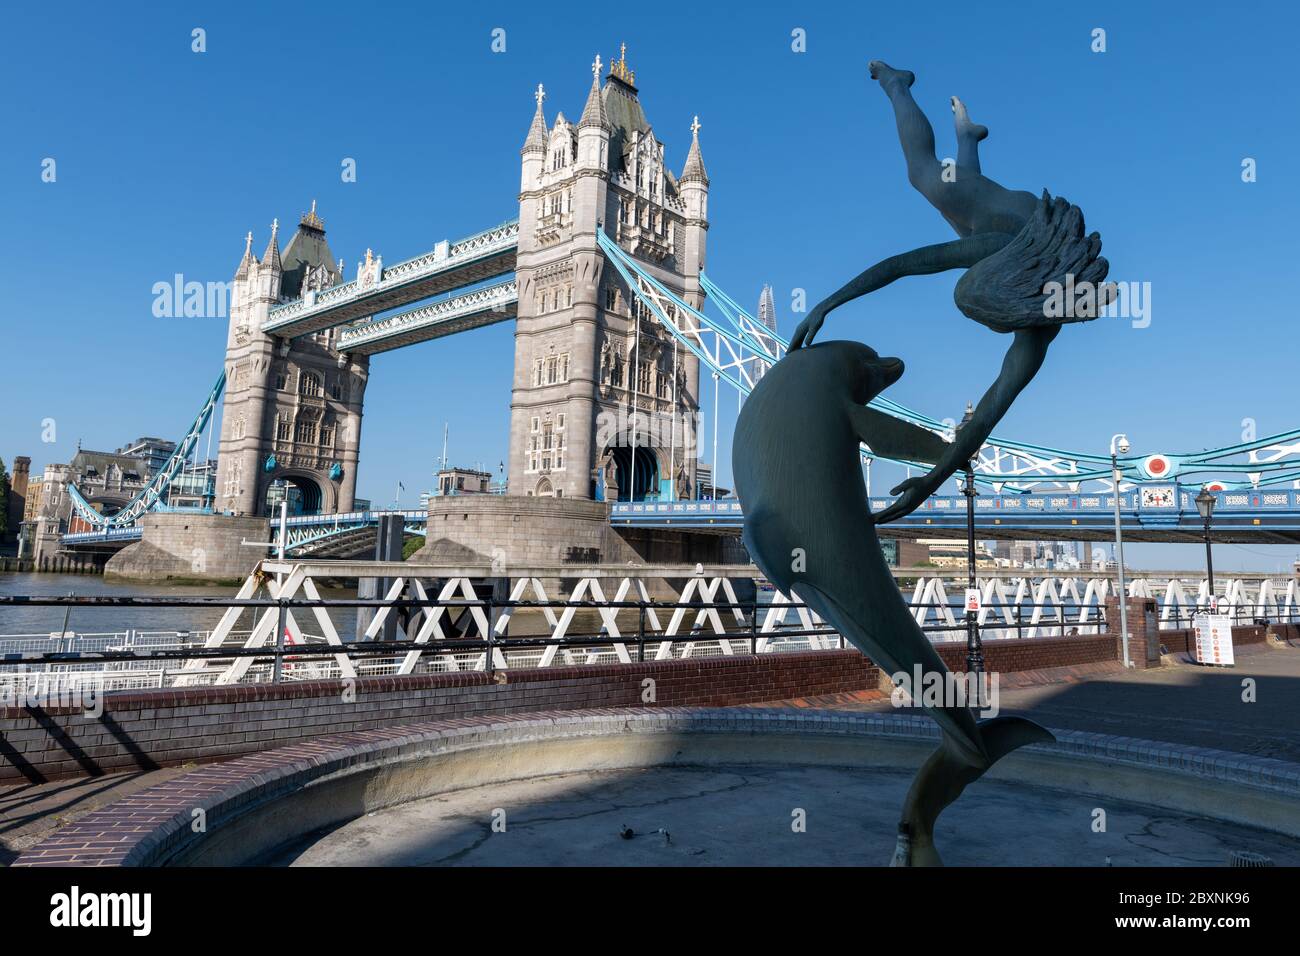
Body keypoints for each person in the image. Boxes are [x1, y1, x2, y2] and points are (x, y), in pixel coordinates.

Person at [791, 61, 1110, 523]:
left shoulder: (1038, 327)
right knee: (923, 174)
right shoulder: (999, 245)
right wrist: (827, 304)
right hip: (1010, 218)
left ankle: (968, 140)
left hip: (1009, 234)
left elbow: (984, 416)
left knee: (961, 211)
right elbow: (901, 265)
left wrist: (930, 481)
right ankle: (898, 83)